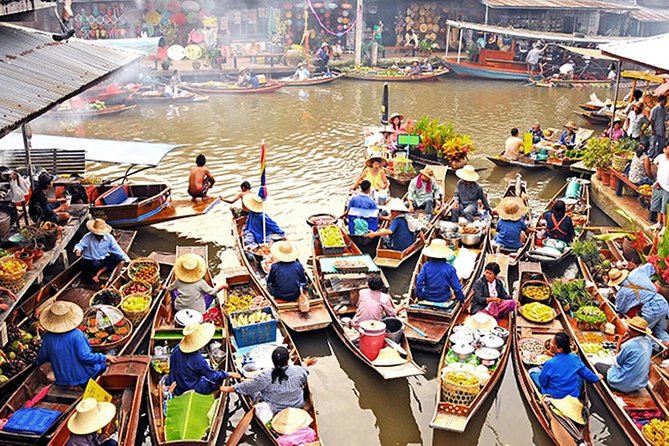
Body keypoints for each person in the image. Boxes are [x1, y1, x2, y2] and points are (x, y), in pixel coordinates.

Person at [222, 346, 316, 415]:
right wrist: (306, 363)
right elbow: (304, 372)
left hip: (275, 409)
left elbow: (246, 387)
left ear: (273, 361)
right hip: (297, 405)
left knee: (247, 386)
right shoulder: (298, 370)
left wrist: (226, 388)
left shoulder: (266, 376)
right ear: (288, 360)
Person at [37, 301, 110, 387]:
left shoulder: (48, 337)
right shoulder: (77, 334)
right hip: (84, 376)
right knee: (103, 365)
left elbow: (43, 356)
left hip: (62, 379)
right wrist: (104, 357)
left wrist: (36, 363)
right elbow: (85, 357)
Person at [166, 323, 238, 395]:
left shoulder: (176, 349)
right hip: (190, 387)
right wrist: (228, 374)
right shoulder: (197, 359)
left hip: (177, 383)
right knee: (214, 383)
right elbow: (213, 376)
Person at [530, 333, 599, 399]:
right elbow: (587, 374)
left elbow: (543, 382)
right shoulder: (575, 357)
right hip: (573, 394)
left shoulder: (550, 363)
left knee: (532, 372)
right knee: (579, 374)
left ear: (560, 349)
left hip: (553, 395)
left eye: (552, 343)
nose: (550, 344)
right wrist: (597, 377)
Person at [594, 316, 653, 393]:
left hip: (622, 383)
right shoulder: (648, 343)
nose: (627, 330)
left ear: (636, 332)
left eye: (629, 329)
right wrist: (626, 338)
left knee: (597, 365)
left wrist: (619, 342)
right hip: (639, 384)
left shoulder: (629, 345)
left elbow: (617, 362)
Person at [612, 263, 669, 341]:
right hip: (662, 302)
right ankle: (666, 344)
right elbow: (651, 266)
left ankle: (659, 346)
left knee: (641, 333)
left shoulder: (622, 293)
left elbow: (620, 309)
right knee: (660, 331)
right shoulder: (636, 272)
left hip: (651, 309)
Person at [74, 219, 130, 283]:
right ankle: (95, 274)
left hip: (102, 259)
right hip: (91, 261)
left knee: (117, 257)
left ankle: (99, 272)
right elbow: (80, 245)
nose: (98, 236)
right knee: (92, 264)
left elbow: (117, 250)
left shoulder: (109, 238)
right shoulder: (88, 237)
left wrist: (127, 260)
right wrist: (77, 250)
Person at [415, 239, 465, 304]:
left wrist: (420, 297)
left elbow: (419, 284)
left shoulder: (425, 266)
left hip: (427, 297)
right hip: (444, 298)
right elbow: (457, 288)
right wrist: (462, 300)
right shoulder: (450, 268)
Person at [651, 142, 669, 229]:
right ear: (664, 149)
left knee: (664, 208)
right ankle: (658, 223)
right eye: (667, 149)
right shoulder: (660, 157)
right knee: (658, 205)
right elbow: (655, 163)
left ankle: (664, 226)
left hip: (667, 187)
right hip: (659, 184)